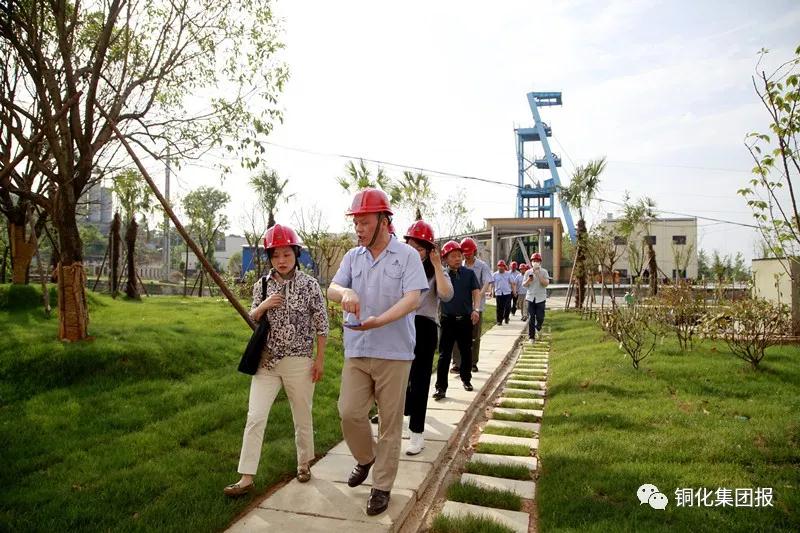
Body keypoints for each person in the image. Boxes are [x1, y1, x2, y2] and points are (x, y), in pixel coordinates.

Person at [327, 188, 428, 516]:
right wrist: (346, 292)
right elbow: (332, 288)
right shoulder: (352, 257)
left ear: (384, 221)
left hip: (394, 352)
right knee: (349, 412)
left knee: (389, 424)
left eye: (365, 222)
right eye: (355, 222)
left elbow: (412, 299)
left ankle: (382, 487)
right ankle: (366, 457)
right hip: (357, 349)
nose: (358, 229)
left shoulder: (407, 256)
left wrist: (379, 321)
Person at [225, 224, 329, 496]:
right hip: (266, 363)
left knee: (302, 415)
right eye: (275, 255)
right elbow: (252, 317)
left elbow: (322, 325)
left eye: (286, 254)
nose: (281, 260)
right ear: (269, 257)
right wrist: (264, 305)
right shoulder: (262, 284)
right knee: (255, 416)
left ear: (296, 254)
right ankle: (246, 477)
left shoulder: (310, 285)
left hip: (299, 362)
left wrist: (319, 360)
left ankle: (304, 464)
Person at [403, 220, 453, 455]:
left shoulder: (434, 272)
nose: (415, 252)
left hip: (424, 326)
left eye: (420, 248)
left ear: (429, 250)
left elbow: (446, 294)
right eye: (411, 246)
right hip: (400, 326)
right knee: (399, 378)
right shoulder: (399, 267)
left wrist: (437, 265)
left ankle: (416, 433)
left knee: (420, 381)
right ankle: (404, 407)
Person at [433, 240, 481, 400]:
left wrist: (476, 309)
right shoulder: (442, 275)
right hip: (447, 320)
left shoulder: (469, 274)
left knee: (466, 351)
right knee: (444, 355)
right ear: (445, 258)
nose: (458, 259)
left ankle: (466, 379)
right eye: (453, 256)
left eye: (459, 255)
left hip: (465, 319)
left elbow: (476, 291)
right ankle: (441, 388)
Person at [451, 237, 492, 374]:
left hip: (476, 306)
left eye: (469, 253)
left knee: (474, 336)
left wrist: (478, 295)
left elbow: (486, 282)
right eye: (465, 253)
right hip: (461, 307)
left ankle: (473, 362)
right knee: (457, 336)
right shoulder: (458, 265)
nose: (467, 256)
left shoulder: (482, 266)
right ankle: (457, 363)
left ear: (474, 252)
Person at [523, 252, 550, 343]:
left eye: (537, 261)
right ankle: (531, 337)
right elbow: (524, 285)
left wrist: (538, 275)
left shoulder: (544, 272)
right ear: (531, 262)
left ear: (540, 262)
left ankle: (538, 327)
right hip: (530, 297)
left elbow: (546, 284)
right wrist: (528, 280)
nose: (535, 262)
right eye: (534, 261)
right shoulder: (528, 272)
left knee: (540, 317)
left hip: (541, 298)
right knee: (531, 317)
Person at [490, 260, 515, 325]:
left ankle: (506, 318)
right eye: (499, 266)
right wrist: (491, 292)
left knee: (507, 307)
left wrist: (514, 291)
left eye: (502, 266)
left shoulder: (508, 274)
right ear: (498, 267)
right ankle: (499, 321)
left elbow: (512, 283)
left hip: (507, 293)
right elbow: (492, 284)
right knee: (499, 308)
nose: (501, 267)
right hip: (498, 293)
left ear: (504, 267)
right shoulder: (494, 275)